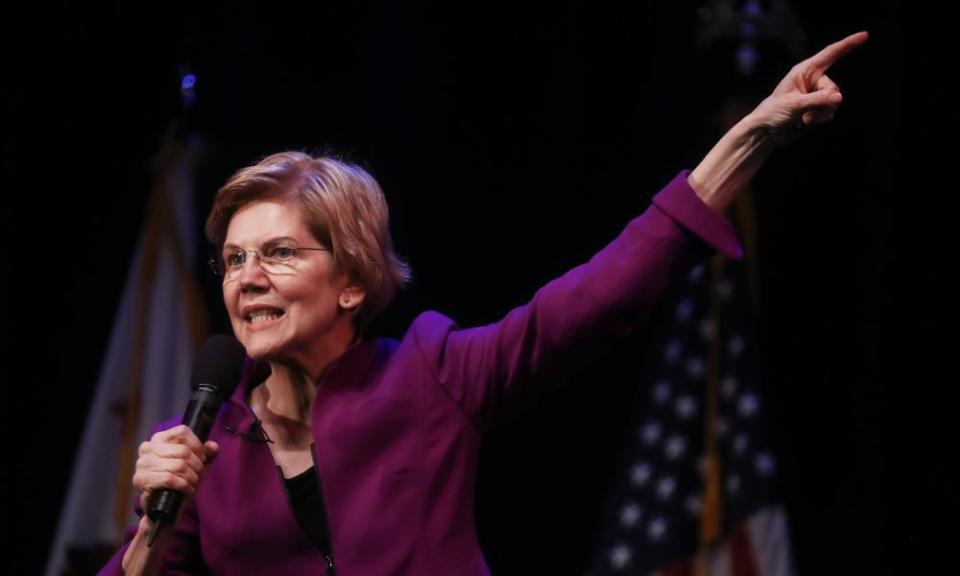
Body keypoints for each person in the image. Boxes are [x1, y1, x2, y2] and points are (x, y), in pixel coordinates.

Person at [100, 31, 868, 575]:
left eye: (278, 253)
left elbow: (601, 295)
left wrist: (752, 138)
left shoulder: (429, 376)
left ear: (353, 281)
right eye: (233, 259)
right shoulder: (200, 448)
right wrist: (150, 530)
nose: (246, 277)